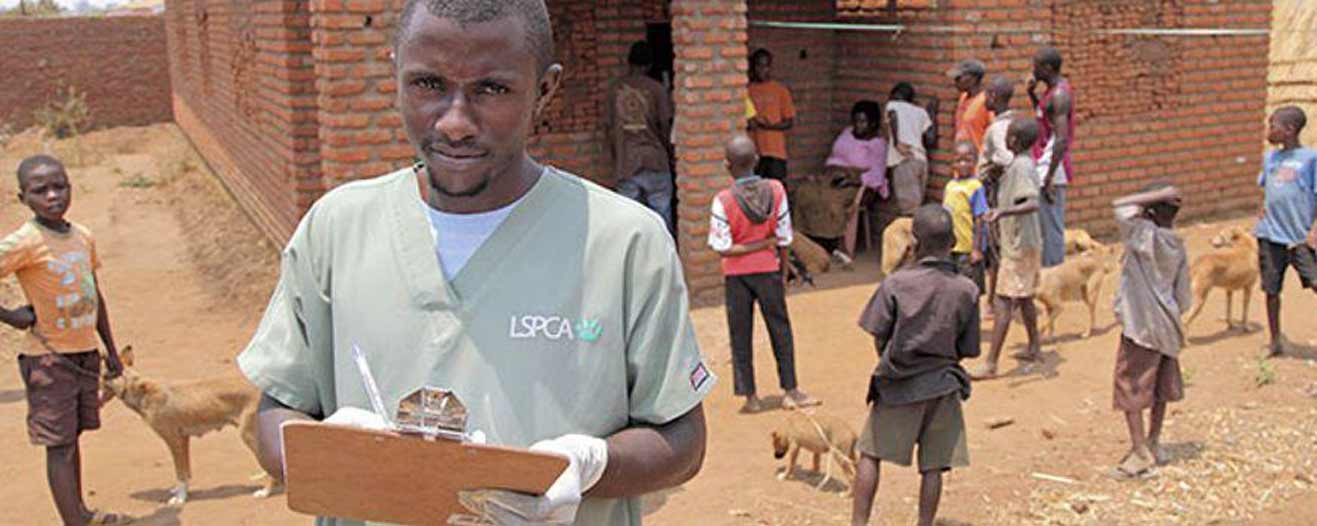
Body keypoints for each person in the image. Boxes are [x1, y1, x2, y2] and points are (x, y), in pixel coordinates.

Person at [237, 2, 713, 525]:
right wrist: (327, 452)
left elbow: (682, 439)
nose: (455, 123)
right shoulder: (336, 229)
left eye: (492, 89)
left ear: (545, 90)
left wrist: (591, 466)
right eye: (428, 84)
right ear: (396, 72)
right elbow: (275, 411)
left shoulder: (624, 243)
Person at [1, 155, 129, 526]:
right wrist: (11, 316)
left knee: (72, 437)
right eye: (40, 190)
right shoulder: (25, 241)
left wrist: (110, 349)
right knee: (59, 445)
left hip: (84, 355)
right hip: (48, 359)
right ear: (23, 198)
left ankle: (80, 513)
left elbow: (94, 293)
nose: (53, 196)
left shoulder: (82, 236)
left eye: (60, 186)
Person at [851, 204, 978, 526]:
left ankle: (859, 523)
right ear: (953, 242)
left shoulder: (896, 284)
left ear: (914, 243)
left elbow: (878, 333)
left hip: (899, 383)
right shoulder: (967, 289)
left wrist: (892, 359)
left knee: (870, 453)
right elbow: (968, 348)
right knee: (933, 466)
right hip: (943, 385)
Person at [709, 134, 820, 414]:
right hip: (768, 270)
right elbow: (784, 237)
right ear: (756, 160)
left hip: (736, 276)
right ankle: (791, 391)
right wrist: (779, 266)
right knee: (780, 329)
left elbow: (723, 248)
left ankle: (751, 397)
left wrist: (749, 246)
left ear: (727, 166)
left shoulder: (723, 200)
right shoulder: (776, 190)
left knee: (740, 333)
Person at [1109, 184, 1191, 478]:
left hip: (1140, 327)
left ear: (1150, 213)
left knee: (1131, 386)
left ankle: (1139, 451)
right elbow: (1184, 298)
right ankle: (1154, 441)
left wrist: (1155, 196)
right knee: (1159, 387)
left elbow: (1120, 205)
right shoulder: (1177, 245)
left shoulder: (1142, 236)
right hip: (1167, 327)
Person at [972, 119, 1043, 379]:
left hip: (1019, 245)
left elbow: (1032, 202)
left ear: (1013, 140)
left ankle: (991, 363)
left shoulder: (1022, 167)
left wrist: (1002, 211)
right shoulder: (1020, 164)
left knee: (1003, 299)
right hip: (1024, 241)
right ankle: (1034, 347)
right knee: (1024, 296)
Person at [1254, 106, 1317, 357]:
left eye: (1273, 126)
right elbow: (1267, 188)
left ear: (1289, 130)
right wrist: (1263, 207)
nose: (1268, 131)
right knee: (1271, 290)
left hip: (1300, 237)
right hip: (1270, 235)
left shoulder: (1310, 159)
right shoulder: (1270, 158)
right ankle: (1275, 340)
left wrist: (1314, 230)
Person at [793, 100, 886, 259]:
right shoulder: (847, 133)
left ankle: (829, 243)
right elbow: (835, 156)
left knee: (831, 201)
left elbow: (877, 174)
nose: (858, 125)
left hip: (856, 184)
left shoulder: (878, 144)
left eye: (863, 122)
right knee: (805, 192)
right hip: (833, 176)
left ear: (873, 123)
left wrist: (851, 180)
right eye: (855, 121)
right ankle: (807, 238)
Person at [605, 40, 675, 232]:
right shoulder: (657, 89)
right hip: (655, 160)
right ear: (649, 65)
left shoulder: (614, 90)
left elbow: (609, 130)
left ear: (629, 62)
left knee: (629, 223)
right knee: (662, 219)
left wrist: (617, 157)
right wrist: (669, 153)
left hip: (626, 164)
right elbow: (665, 127)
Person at [1029, 46, 1075, 268]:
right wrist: (1032, 95)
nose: (1033, 70)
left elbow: (1061, 139)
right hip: (1044, 164)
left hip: (1053, 167)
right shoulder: (1050, 93)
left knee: (1052, 227)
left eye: (1036, 66)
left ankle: (1055, 272)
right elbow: (1044, 117)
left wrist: (1049, 177)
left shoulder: (1060, 95)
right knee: (1044, 226)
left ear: (1047, 68)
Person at [977, 76, 1019, 306]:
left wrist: (992, 169)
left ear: (993, 96)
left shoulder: (996, 129)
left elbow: (1006, 159)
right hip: (1009, 193)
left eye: (987, 94)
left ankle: (998, 300)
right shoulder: (1014, 123)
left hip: (996, 194)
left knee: (996, 249)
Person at [885, 82, 938, 217]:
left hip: (904, 160)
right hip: (921, 161)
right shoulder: (921, 112)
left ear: (895, 95)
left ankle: (911, 230)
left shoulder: (893, 105)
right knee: (917, 204)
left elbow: (893, 115)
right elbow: (930, 139)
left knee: (909, 210)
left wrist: (897, 142)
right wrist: (931, 113)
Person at [943, 141, 988, 294]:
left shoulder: (975, 187)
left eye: (967, 160)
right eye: (958, 160)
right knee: (951, 286)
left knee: (968, 287)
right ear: (952, 162)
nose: (963, 164)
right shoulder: (950, 186)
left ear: (975, 162)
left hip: (967, 248)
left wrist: (976, 249)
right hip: (951, 247)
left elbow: (979, 219)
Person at [747, 48, 796, 181]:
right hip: (754, 152)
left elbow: (789, 122)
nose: (762, 70)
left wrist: (767, 126)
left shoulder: (780, 90)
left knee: (775, 188)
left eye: (765, 66)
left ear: (770, 67)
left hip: (775, 152)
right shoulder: (747, 90)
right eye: (758, 66)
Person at [947, 59, 990, 153]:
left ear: (973, 79)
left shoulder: (986, 102)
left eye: (959, 78)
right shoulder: (962, 98)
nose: (955, 82)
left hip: (978, 156)